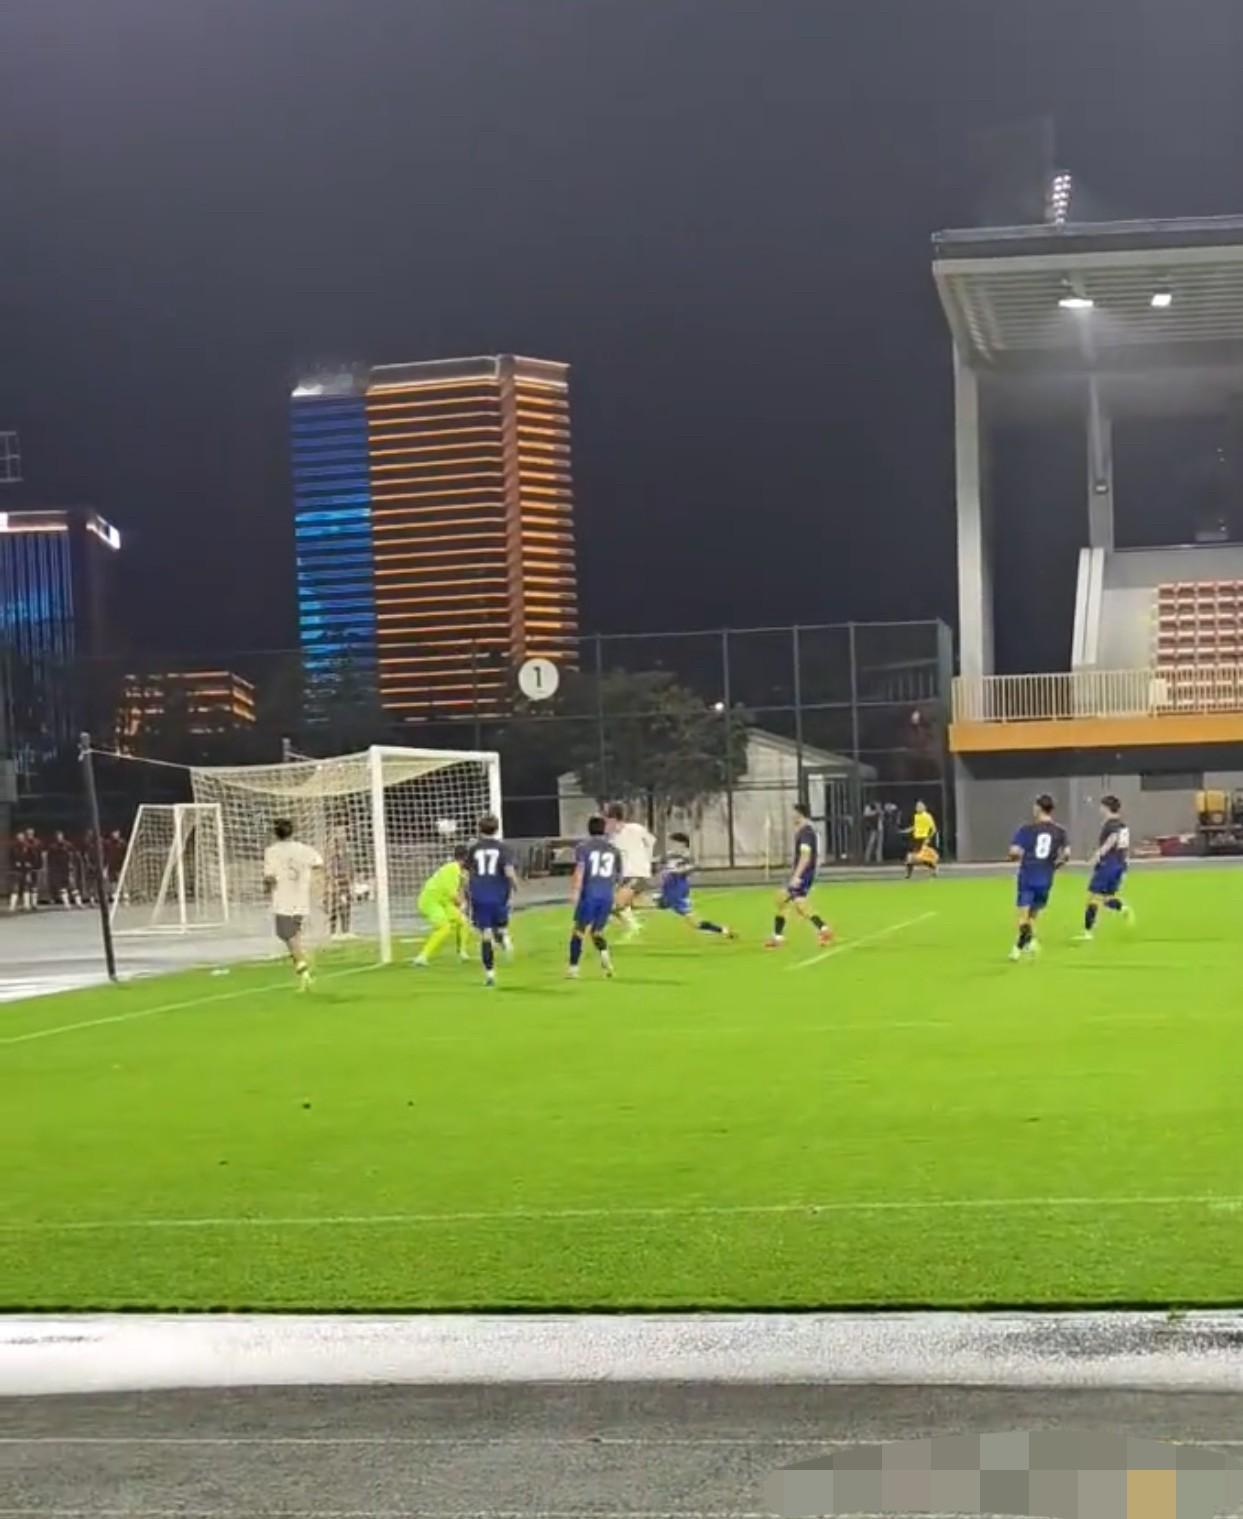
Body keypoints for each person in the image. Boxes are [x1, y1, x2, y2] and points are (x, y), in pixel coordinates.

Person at [262, 818, 323, 990]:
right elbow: (319, 863)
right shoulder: (304, 849)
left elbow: (270, 877)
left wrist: (266, 887)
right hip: (301, 899)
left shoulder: (271, 851)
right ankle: (304, 975)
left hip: (283, 900)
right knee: (294, 936)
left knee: (285, 936)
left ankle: (303, 967)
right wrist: (308, 878)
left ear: (275, 833)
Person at [1008, 793, 1070, 961]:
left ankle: (1028, 943)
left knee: (1023, 917)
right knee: (1033, 916)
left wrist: (1015, 856)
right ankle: (1021, 947)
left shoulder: (1027, 830)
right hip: (1046, 878)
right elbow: (1066, 855)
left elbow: (1014, 852)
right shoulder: (1060, 831)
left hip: (1028, 876)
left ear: (1038, 808)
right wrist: (1054, 866)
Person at [766, 801, 833, 950]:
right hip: (803, 872)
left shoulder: (806, 832)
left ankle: (823, 929)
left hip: (804, 873)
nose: (791, 816)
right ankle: (779, 936)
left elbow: (805, 856)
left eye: (793, 813)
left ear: (799, 814)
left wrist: (797, 876)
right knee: (783, 899)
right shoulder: (804, 831)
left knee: (798, 903)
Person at [465, 815, 519, 988]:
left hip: (479, 896)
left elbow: (466, 873)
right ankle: (503, 936)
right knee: (500, 926)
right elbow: (509, 871)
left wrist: (464, 893)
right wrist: (516, 886)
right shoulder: (503, 848)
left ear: (479, 829)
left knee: (486, 935)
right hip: (498, 895)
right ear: (496, 829)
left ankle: (490, 974)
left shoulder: (473, 848)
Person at [568, 815, 622, 979]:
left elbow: (580, 869)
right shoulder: (614, 850)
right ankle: (605, 958)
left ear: (589, 829)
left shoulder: (583, 847)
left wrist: (575, 891)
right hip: (606, 895)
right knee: (597, 932)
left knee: (579, 930)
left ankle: (573, 968)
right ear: (604, 829)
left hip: (589, 894)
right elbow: (618, 877)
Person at [1077, 795, 1135, 941]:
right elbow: (1124, 846)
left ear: (1106, 808)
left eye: (1102, 806)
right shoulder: (1123, 825)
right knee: (1106, 898)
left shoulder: (1111, 825)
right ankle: (1124, 909)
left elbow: (1112, 840)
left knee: (1092, 897)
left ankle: (1087, 932)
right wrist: (1124, 865)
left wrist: (1097, 855)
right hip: (1119, 865)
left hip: (1107, 865)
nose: (1100, 809)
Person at [657, 832, 735, 940]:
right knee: (649, 902)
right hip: (667, 889)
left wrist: (679, 870)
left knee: (695, 923)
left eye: (673, 843)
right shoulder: (669, 855)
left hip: (677, 891)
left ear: (682, 844)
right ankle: (634, 921)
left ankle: (722, 930)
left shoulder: (685, 856)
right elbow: (661, 865)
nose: (671, 845)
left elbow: (693, 867)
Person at [414, 845, 471, 967]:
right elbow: (452, 894)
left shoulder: (458, 871)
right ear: (465, 858)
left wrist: (463, 885)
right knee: (444, 927)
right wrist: (462, 904)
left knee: (463, 921)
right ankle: (422, 957)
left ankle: (462, 952)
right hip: (431, 901)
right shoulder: (452, 869)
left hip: (443, 903)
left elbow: (457, 892)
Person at [604, 802, 655, 938]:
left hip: (637, 874)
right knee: (615, 906)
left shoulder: (635, 829)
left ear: (613, 819)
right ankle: (634, 925)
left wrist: (647, 860)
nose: (606, 823)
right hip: (626, 876)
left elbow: (651, 841)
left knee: (616, 905)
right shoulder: (613, 839)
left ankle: (634, 926)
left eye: (607, 819)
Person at [325, 827, 355, 939]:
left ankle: (345, 931)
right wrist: (333, 882)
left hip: (345, 884)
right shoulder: (332, 855)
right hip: (335, 883)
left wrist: (351, 881)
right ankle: (332, 932)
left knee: (346, 906)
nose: (342, 838)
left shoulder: (347, 854)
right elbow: (330, 870)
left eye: (343, 835)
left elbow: (350, 868)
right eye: (340, 834)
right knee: (334, 907)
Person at [903, 801, 940, 878]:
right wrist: (907, 830)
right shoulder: (916, 816)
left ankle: (934, 868)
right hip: (916, 839)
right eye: (917, 806)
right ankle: (908, 874)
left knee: (922, 858)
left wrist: (928, 838)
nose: (918, 808)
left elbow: (933, 829)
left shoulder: (927, 816)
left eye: (920, 806)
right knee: (911, 858)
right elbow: (915, 826)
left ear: (924, 807)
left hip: (924, 839)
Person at [46, 830, 82, 908]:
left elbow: (74, 855)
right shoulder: (52, 847)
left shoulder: (68, 845)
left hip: (68, 868)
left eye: (60, 836)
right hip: (58, 869)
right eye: (58, 837)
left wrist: (72, 864)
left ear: (63, 836)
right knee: (62, 886)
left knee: (73, 885)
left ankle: (79, 903)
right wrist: (53, 868)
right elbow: (50, 859)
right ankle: (66, 904)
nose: (59, 838)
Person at [9, 828, 41, 913]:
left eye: (22, 838)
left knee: (27, 886)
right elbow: (10, 858)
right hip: (17, 870)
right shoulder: (13, 847)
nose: (20, 839)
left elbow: (33, 856)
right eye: (19, 838)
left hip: (26, 870)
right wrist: (14, 863)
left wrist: (30, 863)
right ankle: (12, 905)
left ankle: (27, 905)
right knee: (16, 887)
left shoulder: (28, 846)